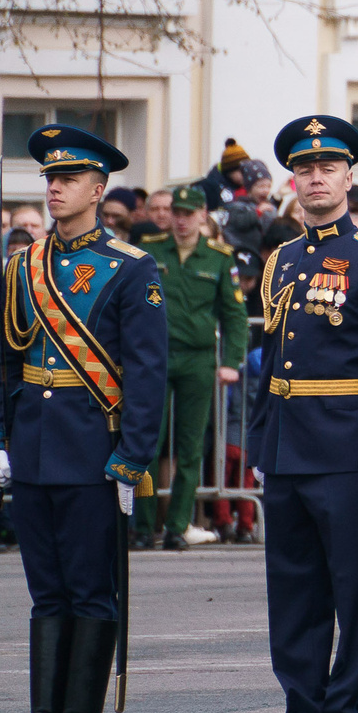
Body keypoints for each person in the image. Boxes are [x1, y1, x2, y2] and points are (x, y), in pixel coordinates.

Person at [0, 125, 168, 713]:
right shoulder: (22, 266)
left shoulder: (130, 268)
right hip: (36, 445)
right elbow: (5, 358)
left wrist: (133, 455)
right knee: (47, 591)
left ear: (98, 189)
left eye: (68, 180)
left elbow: (148, 372)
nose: (55, 189)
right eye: (49, 179)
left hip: (95, 448)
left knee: (91, 588)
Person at [245, 117, 358, 713]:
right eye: (305, 167)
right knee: (293, 592)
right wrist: (263, 446)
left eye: (328, 166)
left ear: (349, 177)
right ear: (293, 179)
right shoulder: (284, 258)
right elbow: (271, 361)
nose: (315, 177)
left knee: (353, 594)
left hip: (347, 452)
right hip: (288, 449)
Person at [135, 184, 250, 553]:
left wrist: (231, 362)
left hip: (198, 359)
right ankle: (141, 525)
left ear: (202, 215)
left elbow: (234, 315)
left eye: (188, 213)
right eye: (176, 213)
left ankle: (177, 524)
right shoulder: (151, 250)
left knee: (190, 445)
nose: (181, 220)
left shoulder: (219, 257)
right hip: (155, 356)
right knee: (147, 443)